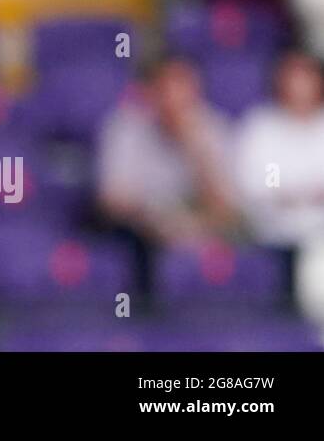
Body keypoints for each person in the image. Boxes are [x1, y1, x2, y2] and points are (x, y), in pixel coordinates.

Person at [96, 55, 240, 300]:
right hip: (141, 231)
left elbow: (227, 208)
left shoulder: (213, 127)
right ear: (150, 93)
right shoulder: (125, 127)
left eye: (184, 90)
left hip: (199, 226)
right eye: (166, 90)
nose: (175, 100)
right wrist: (158, 221)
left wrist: (195, 149)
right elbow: (112, 202)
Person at [234, 51, 324, 250]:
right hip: (273, 234)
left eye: (306, 78)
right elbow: (267, 177)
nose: (299, 86)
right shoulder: (263, 126)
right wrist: (281, 189)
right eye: (293, 78)